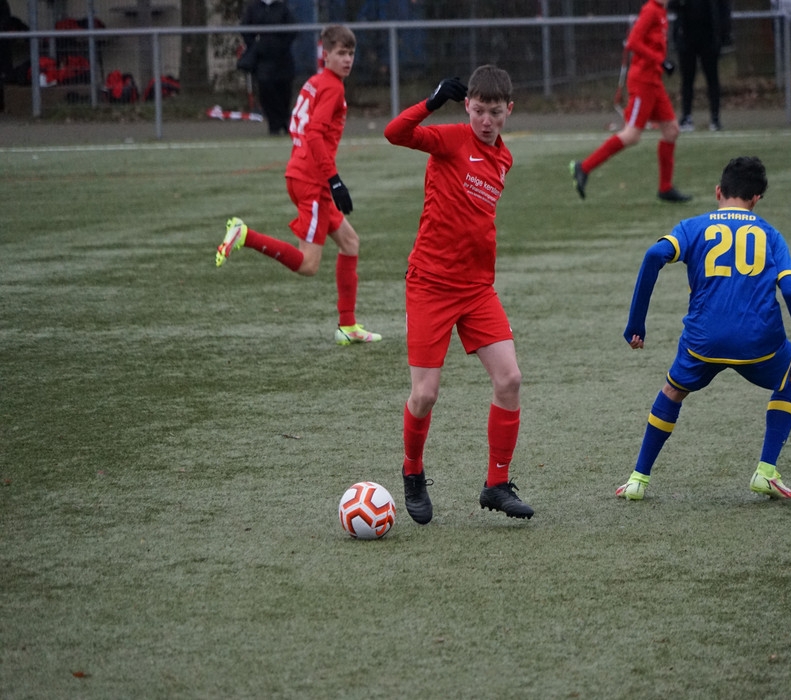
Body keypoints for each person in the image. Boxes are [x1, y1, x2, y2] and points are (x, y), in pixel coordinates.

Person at [617, 156, 791, 502]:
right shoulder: (770, 234)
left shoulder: (692, 227)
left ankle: (638, 479)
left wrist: (636, 324)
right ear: (756, 199)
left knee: (673, 390)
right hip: (759, 342)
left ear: (718, 191)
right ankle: (766, 471)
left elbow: (652, 256)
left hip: (703, 341)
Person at [384, 65, 534, 523]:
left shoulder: (504, 158)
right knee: (425, 394)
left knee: (509, 379)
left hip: (476, 290)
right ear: (466, 106)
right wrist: (431, 103)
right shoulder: (450, 139)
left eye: (495, 112)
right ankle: (412, 471)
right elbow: (395, 133)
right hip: (430, 284)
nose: (486, 121)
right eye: (479, 110)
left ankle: (496, 484)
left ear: (509, 111)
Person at [216, 25, 382, 347]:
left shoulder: (315, 81)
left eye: (351, 53)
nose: (347, 59)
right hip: (313, 181)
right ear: (325, 54)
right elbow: (315, 133)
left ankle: (348, 326)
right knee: (308, 265)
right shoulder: (332, 87)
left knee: (350, 242)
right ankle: (245, 235)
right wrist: (334, 180)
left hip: (300, 172)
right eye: (341, 53)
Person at [569, 0, 690, 203]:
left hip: (654, 81)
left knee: (671, 131)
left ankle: (665, 188)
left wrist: (660, 62)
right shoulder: (651, 10)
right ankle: (584, 167)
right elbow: (633, 42)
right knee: (632, 134)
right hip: (643, 82)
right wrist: (659, 60)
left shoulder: (661, 11)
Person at [669, 0, 732, 132]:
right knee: (687, 79)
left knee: (712, 78)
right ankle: (686, 116)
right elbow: (672, 6)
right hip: (687, 36)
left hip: (709, 37)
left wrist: (724, 35)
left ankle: (715, 118)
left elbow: (724, 8)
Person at [240, 0, 297, 135]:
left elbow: (292, 30)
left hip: (282, 57)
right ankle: (274, 123)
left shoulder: (283, 8)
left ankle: (285, 121)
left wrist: (281, 46)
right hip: (263, 58)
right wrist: (256, 46)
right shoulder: (254, 8)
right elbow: (245, 29)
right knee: (265, 88)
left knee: (284, 88)